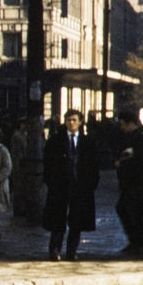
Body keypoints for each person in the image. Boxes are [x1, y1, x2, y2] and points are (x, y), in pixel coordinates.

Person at [42, 109, 100, 261]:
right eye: (68, 120)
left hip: (81, 186)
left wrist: (91, 183)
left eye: (74, 120)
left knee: (77, 220)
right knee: (58, 219)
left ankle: (71, 251)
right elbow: (48, 164)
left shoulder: (87, 142)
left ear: (80, 122)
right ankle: (54, 250)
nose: (71, 123)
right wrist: (51, 182)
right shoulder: (55, 141)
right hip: (60, 185)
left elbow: (94, 165)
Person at [114, 113, 143, 256]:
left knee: (136, 211)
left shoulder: (139, 138)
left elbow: (140, 157)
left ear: (131, 124)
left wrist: (124, 160)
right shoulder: (129, 137)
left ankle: (140, 242)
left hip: (136, 181)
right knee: (129, 209)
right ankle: (138, 242)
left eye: (123, 124)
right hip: (130, 181)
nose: (121, 128)